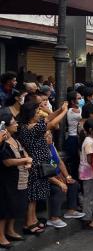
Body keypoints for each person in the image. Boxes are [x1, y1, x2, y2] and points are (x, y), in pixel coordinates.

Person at [17, 99, 67, 235]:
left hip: (37, 164)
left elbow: (49, 118)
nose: (39, 113)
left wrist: (59, 110)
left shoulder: (24, 126)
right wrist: (65, 112)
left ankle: (32, 220)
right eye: (37, 111)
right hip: (37, 165)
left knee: (33, 196)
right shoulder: (34, 128)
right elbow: (52, 123)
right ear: (31, 114)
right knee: (32, 197)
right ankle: (29, 223)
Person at [0, 114, 30, 247]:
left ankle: (10, 230)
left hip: (20, 177)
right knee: (5, 207)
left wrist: (27, 160)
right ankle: (1, 236)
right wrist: (24, 160)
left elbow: (24, 152)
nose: (16, 124)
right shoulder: (3, 143)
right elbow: (6, 162)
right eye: (13, 122)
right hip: (7, 179)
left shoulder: (15, 139)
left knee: (15, 205)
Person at [77, 119, 93, 230]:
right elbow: (90, 159)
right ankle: (87, 219)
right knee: (89, 196)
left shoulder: (91, 140)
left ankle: (86, 211)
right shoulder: (89, 142)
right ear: (91, 130)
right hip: (89, 173)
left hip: (92, 173)